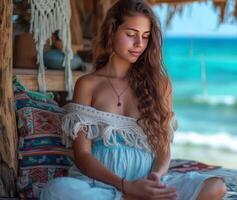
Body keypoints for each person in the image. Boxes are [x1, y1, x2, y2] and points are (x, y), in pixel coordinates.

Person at [40, 0, 226, 199]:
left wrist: (154, 179)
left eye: (145, 37)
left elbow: (163, 151)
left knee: (215, 186)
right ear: (112, 30)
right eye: (131, 35)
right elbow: (83, 155)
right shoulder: (88, 84)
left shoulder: (160, 85)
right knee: (56, 190)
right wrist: (125, 186)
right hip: (101, 185)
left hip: (147, 182)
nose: (139, 44)